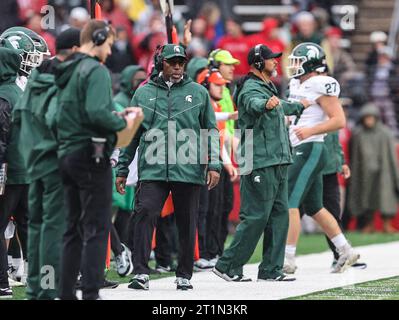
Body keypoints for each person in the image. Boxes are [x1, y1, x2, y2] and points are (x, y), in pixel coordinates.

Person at [115, 44, 221, 291]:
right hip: (153, 168)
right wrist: (122, 169)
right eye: (172, 61)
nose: (177, 66)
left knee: (186, 222)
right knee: (144, 215)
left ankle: (184, 274)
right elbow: (131, 135)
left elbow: (211, 131)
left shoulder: (198, 93)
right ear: (160, 62)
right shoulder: (142, 94)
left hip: (189, 168)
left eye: (181, 62)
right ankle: (140, 272)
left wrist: (214, 163)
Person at [55, 20, 142, 300]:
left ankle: (67, 292)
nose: (110, 51)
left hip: (66, 153)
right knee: (96, 227)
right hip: (92, 155)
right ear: (99, 38)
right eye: (108, 44)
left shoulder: (66, 68)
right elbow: (96, 113)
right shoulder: (95, 70)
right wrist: (122, 120)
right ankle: (91, 292)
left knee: (72, 228)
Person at [213, 44, 309, 282]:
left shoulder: (266, 87)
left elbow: (278, 106)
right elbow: (253, 103)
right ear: (258, 63)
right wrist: (264, 105)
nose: (276, 62)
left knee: (279, 216)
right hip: (258, 160)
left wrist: (299, 105)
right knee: (256, 215)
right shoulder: (249, 88)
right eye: (271, 59)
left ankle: (270, 269)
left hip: (276, 159)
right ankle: (228, 265)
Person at [12, 27, 80, 300]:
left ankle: (38, 285)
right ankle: (49, 286)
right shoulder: (37, 91)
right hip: (46, 167)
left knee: (37, 227)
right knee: (52, 227)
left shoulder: (27, 90)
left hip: (32, 166)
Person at [283, 42, 360, 275]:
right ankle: (345, 249)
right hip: (301, 146)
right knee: (315, 206)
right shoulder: (297, 82)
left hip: (310, 147)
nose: (294, 66)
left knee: (289, 202)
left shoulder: (319, 83)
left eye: (299, 61)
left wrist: (311, 130)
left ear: (312, 63)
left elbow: (338, 120)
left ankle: (287, 258)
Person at [0, 27, 47, 298]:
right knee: (28, 224)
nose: (33, 61)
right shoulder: (17, 90)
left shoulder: (12, 91)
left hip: (13, 170)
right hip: (27, 169)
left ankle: (4, 283)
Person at [195, 68, 238, 270]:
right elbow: (215, 119)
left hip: (215, 161)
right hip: (201, 163)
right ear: (205, 85)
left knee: (218, 209)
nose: (222, 88)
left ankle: (213, 251)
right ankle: (202, 252)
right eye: (217, 84)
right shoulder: (203, 106)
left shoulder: (216, 105)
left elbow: (220, 138)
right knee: (203, 210)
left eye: (222, 84)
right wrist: (231, 114)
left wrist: (228, 161)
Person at [207, 49, 240, 256]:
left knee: (224, 205)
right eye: (227, 64)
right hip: (215, 152)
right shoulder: (211, 93)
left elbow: (225, 124)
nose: (232, 68)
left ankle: (216, 250)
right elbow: (220, 121)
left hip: (223, 151)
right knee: (211, 207)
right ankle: (207, 251)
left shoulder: (226, 91)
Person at [348, 103, 399, 233]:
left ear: (376, 118)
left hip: (384, 172)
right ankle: (369, 225)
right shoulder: (358, 134)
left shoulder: (385, 133)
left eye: (371, 117)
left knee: (386, 198)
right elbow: (354, 157)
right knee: (366, 198)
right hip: (364, 173)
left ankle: (386, 224)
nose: (368, 120)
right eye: (366, 118)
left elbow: (391, 156)